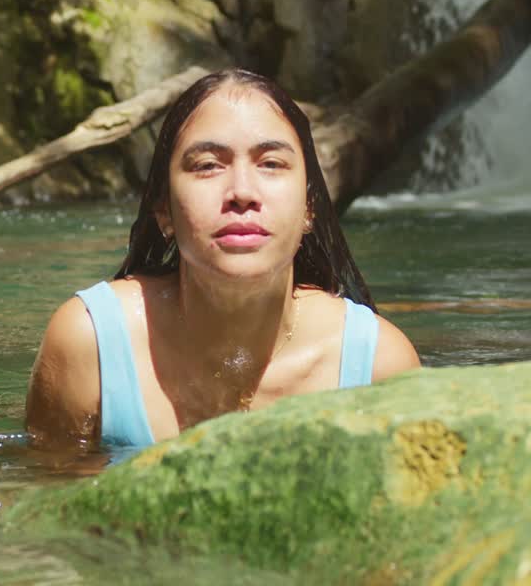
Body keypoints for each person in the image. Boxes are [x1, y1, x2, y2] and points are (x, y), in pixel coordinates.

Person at [25, 69, 419, 455]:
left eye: (271, 164)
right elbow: (49, 506)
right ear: (163, 210)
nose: (242, 192)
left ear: (310, 208)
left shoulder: (378, 365)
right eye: (208, 165)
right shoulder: (90, 344)